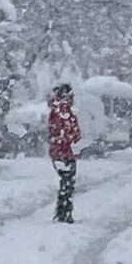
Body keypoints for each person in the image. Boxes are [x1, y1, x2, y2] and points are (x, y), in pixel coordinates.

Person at [47, 83, 81, 224]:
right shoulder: (62, 111)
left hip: (61, 151)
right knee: (67, 182)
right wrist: (72, 139)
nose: (72, 98)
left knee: (66, 183)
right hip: (63, 152)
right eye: (70, 96)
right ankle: (64, 213)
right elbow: (65, 131)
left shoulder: (58, 110)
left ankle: (63, 211)